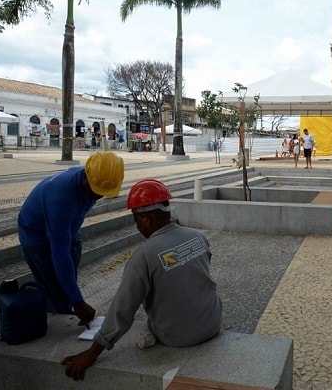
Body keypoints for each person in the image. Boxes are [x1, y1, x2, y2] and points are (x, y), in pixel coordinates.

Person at [61, 179, 222, 381]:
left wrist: (91, 354)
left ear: (145, 218)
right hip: (213, 324)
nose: (137, 227)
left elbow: (122, 310)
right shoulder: (197, 236)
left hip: (177, 337)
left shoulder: (143, 255)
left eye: (136, 220)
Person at [17, 151, 124, 326]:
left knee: (66, 285)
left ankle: (66, 307)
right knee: (54, 291)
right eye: (97, 191)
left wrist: (73, 297)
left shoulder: (94, 177)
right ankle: (57, 330)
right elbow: (59, 254)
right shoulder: (60, 199)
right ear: (85, 179)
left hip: (68, 230)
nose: (98, 196)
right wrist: (78, 302)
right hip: (36, 237)